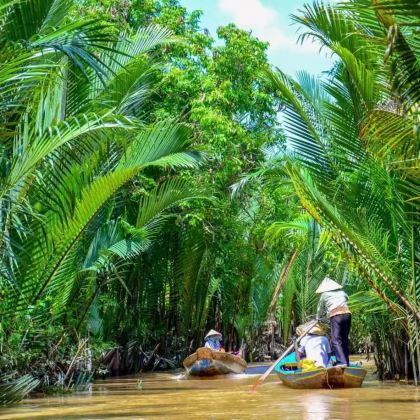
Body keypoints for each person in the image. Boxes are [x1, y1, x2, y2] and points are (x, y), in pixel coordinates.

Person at [316, 276, 351, 367]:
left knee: (335, 340)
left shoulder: (324, 294)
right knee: (344, 339)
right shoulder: (342, 292)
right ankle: (346, 362)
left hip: (336, 316)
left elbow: (320, 308)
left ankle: (341, 362)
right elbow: (347, 299)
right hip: (347, 314)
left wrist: (318, 318)